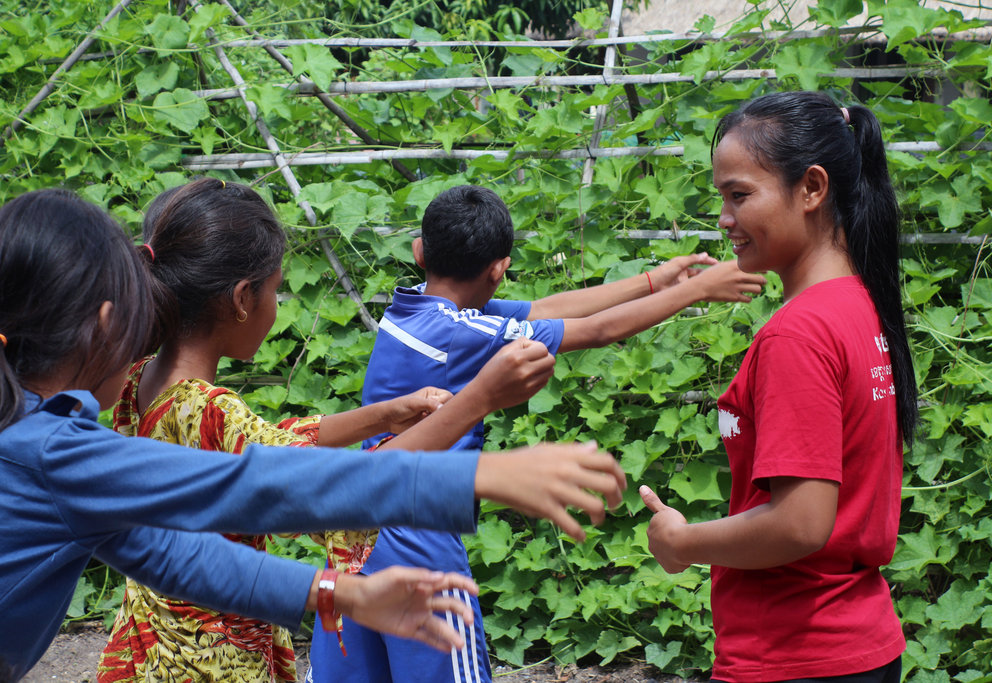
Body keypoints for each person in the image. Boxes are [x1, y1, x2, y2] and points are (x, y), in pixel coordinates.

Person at [0, 187, 627, 682]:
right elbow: (257, 482)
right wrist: (474, 467)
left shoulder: (44, 426)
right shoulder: (56, 450)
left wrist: (336, 591)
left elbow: (175, 554)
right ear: (102, 326)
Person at [310, 184, 766, 683]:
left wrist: (655, 280)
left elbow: (546, 308)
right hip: (420, 538)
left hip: (353, 533)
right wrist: (696, 289)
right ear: (498, 268)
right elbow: (596, 331)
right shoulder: (467, 333)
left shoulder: (413, 307)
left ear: (420, 251)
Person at [641, 91, 918, 683]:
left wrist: (682, 540)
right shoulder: (859, 308)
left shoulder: (799, 334)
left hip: (792, 653)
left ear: (812, 189)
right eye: (722, 197)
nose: (724, 218)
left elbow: (799, 523)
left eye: (740, 195)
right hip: (861, 642)